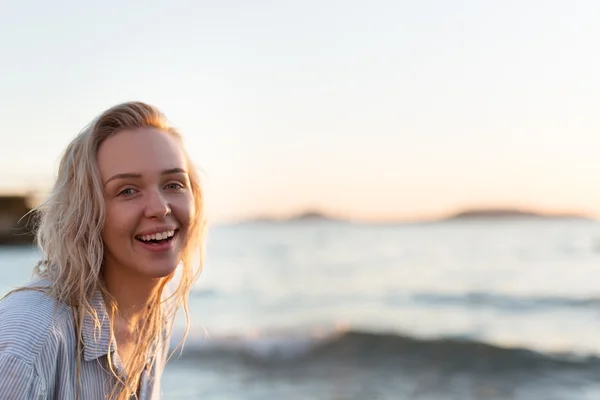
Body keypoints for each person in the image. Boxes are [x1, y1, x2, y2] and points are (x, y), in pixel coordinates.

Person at [0, 102, 206, 400]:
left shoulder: (150, 319)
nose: (160, 207)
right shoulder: (29, 342)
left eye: (174, 184)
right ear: (86, 212)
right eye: (127, 190)